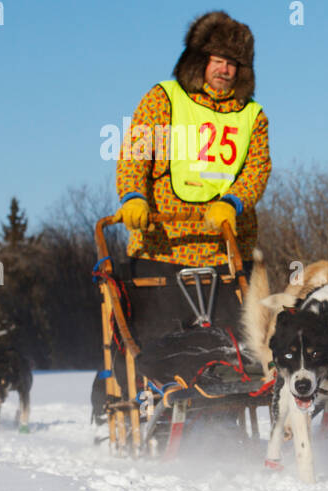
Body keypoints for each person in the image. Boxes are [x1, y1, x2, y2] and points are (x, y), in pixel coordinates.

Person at [113, 10, 269, 338]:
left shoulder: (252, 115)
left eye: (233, 63)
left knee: (234, 347)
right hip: (161, 243)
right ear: (200, 59)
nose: (225, 69)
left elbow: (257, 170)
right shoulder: (164, 99)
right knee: (157, 342)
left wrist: (233, 202)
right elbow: (135, 154)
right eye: (218, 59)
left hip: (226, 249)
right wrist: (133, 197)